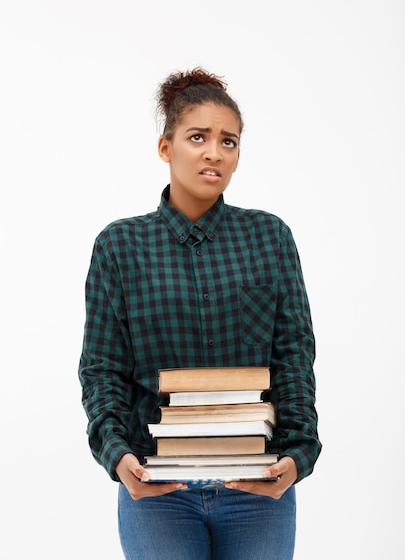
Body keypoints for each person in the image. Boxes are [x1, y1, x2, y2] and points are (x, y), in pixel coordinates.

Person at [79, 67, 321, 560]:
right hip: (158, 491)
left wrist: (299, 455)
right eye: (198, 137)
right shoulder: (120, 246)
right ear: (166, 147)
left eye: (228, 141)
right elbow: (102, 368)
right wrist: (116, 454)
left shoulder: (269, 237)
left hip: (258, 488)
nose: (215, 152)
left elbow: (293, 358)